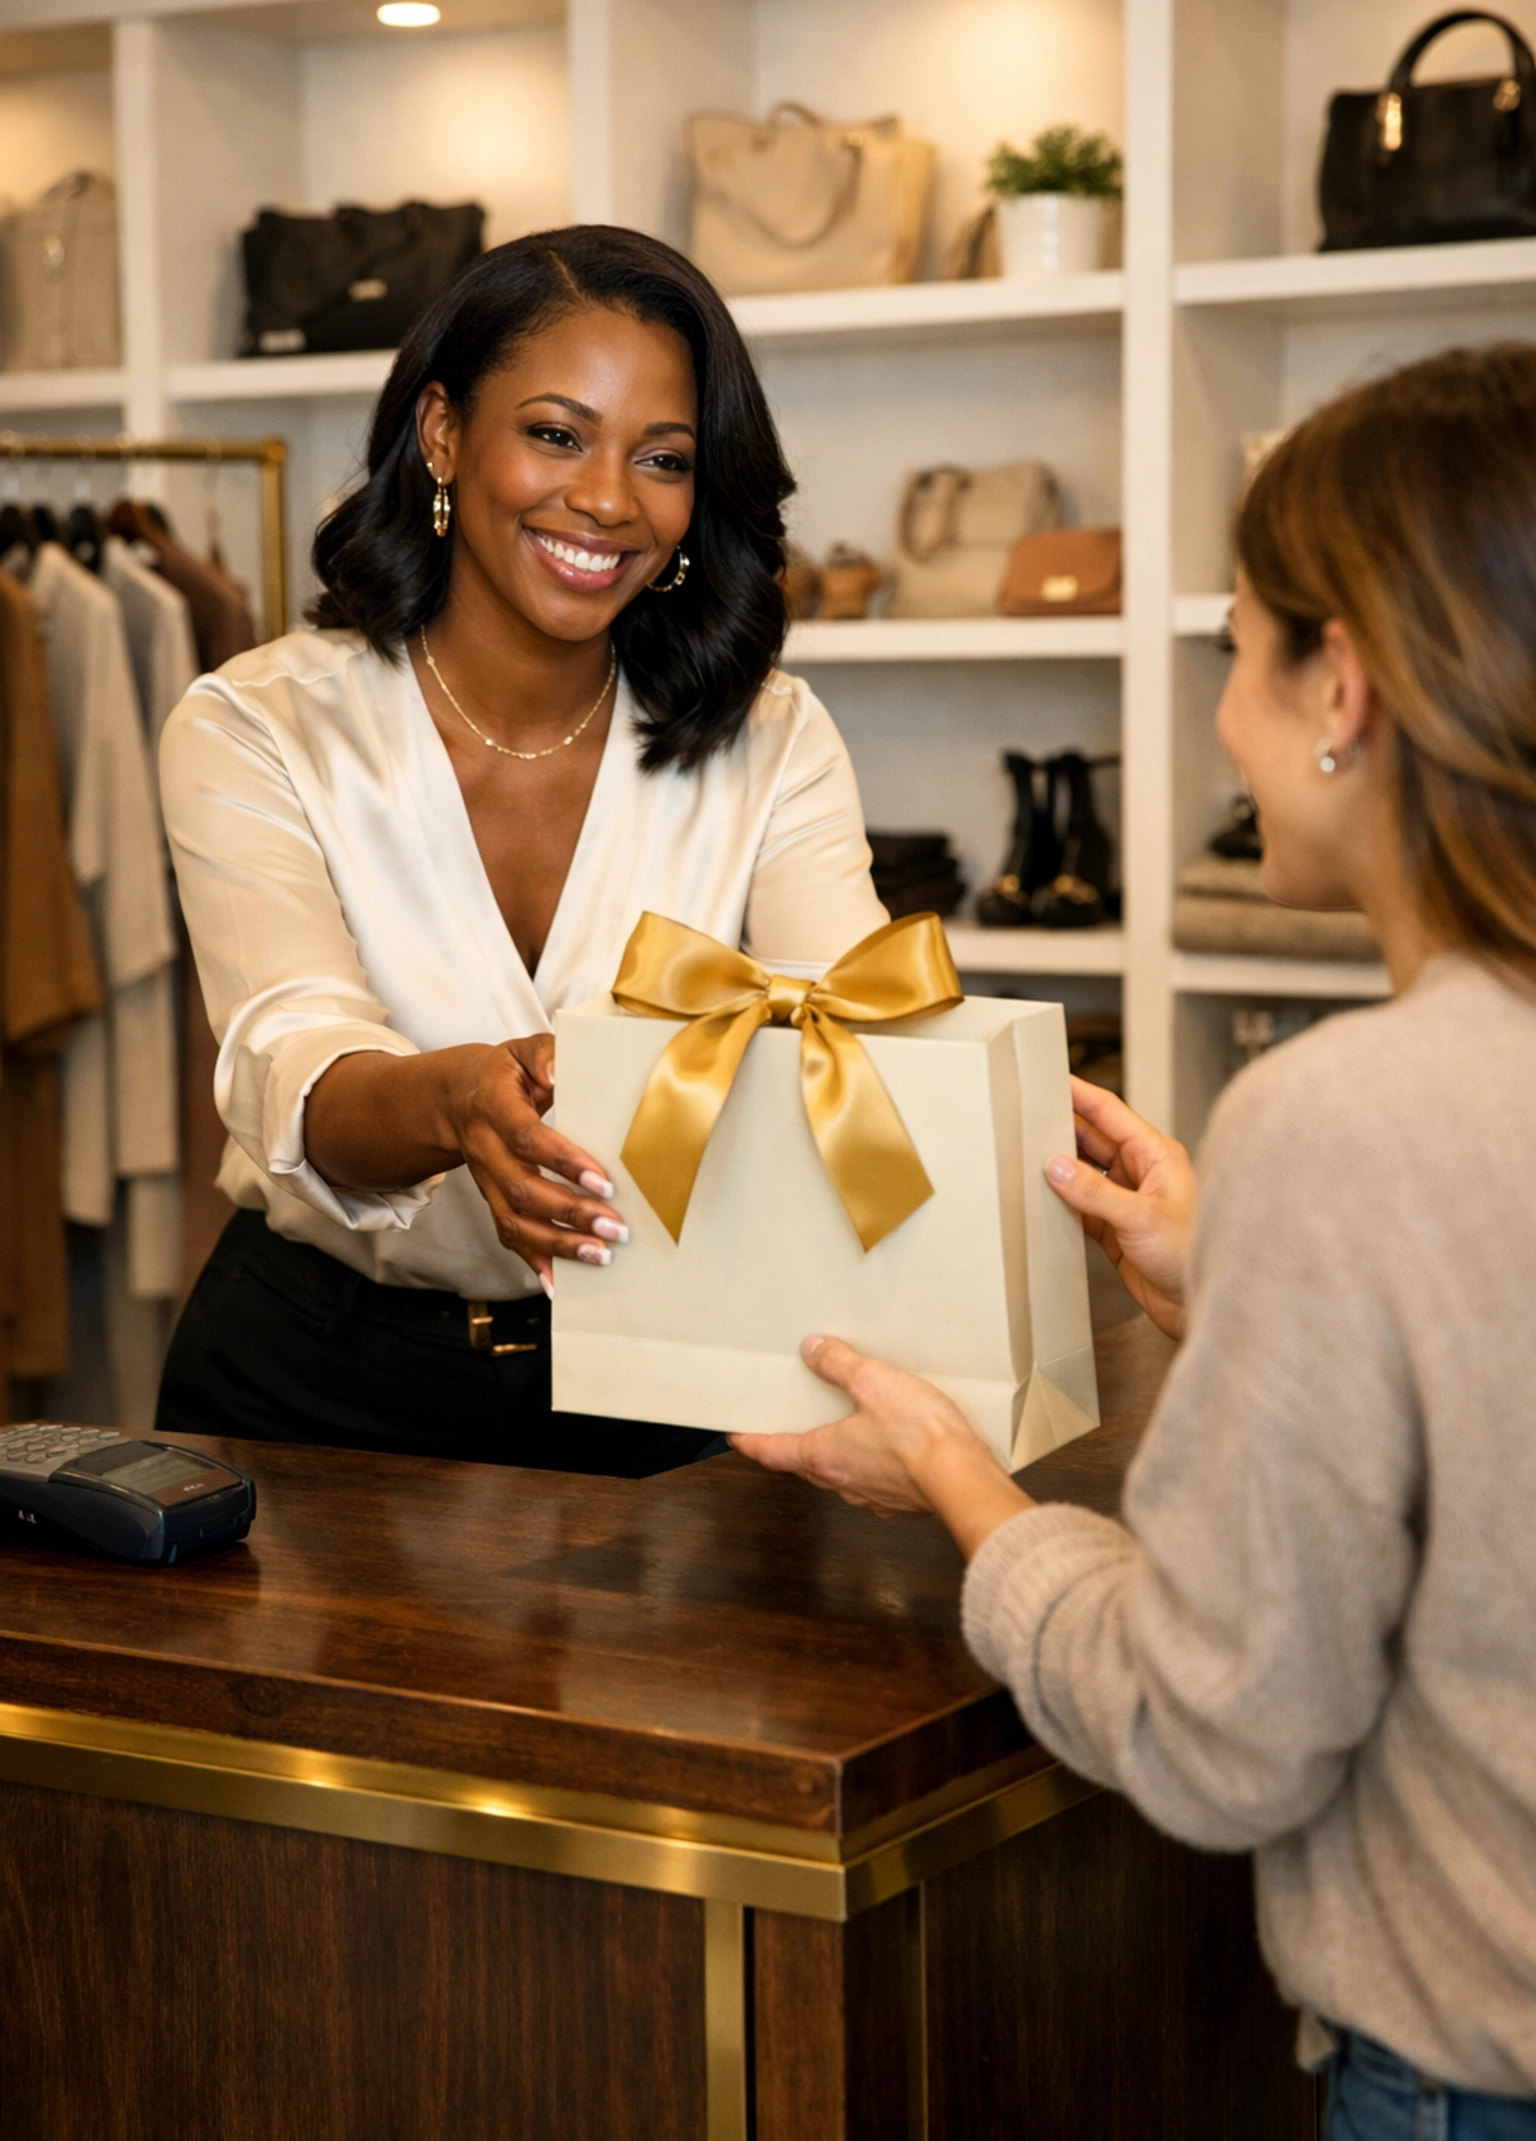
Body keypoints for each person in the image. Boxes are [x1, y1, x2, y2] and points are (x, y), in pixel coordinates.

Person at [734, 344, 1536, 2135]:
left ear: (1350, 683)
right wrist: (1235, 1287)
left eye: (1239, 646)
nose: (1226, 713)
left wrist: (966, 1484)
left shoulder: (1348, 1119)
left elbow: (1217, 1727)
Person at [157, 225, 884, 1472]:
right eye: (556, 434)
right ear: (442, 434)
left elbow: (864, 1044)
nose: (607, 499)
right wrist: (450, 1099)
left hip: (669, 1381)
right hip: (313, 1385)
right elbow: (291, 1058)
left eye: (662, 458)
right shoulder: (256, 725)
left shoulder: (769, 738)